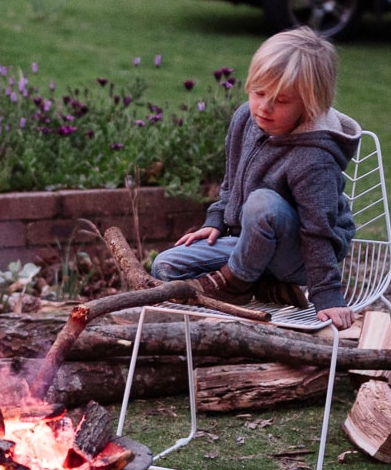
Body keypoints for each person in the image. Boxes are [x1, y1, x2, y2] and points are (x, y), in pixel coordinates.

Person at [150, 26, 360, 330]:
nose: (265, 107)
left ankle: (235, 283)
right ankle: (263, 287)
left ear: (310, 103)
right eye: (259, 93)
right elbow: (231, 184)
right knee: (165, 268)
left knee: (263, 202)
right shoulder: (245, 120)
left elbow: (318, 230)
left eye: (282, 100)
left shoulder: (313, 157)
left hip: (299, 255)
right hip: (247, 244)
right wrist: (215, 221)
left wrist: (327, 294)